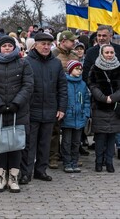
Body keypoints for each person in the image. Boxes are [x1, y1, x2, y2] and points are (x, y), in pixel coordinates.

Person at [0, 36, 33, 193]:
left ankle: (13, 177)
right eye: (4, 46)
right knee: (0, 145)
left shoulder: (23, 63)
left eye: (9, 46)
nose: (7, 48)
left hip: (17, 111)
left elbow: (28, 85)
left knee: (16, 145)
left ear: (14, 47)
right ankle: (0, 177)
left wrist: (16, 103)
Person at [20, 33, 67, 184]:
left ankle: (41, 170)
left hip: (50, 109)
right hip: (31, 110)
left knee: (45, 143)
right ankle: (26, 173)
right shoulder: (26, 62)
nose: (46, 47)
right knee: (29, 144)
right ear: (35, 45)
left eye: (49, 44)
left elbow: (62, 87)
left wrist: (61, 107)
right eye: (43, 44)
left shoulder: (56, 63)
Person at [87, 44, 120, 173]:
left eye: (111, 52)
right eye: (107, 52)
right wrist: (103, 98)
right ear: (102, 53)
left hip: (115, 108)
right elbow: (92, 85)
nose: (109, 55)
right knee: (100, 137)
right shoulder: (95, 67)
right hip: (99, 107)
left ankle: (109, 162)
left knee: (112, 137)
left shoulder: (119, 67)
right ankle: (98, 162)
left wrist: (112, 98)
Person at [49, 30, 78, 169]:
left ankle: (71, 156)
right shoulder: (53, 54)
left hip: (73, 95)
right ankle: (53, 156)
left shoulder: (74, 55)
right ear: (63, 41)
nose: (74, 43)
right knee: (55, 128)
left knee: (70, 126)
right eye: (71, 41)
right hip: (56, 94)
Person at [61, 60, 90, 173]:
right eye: (77, 68)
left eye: (80, 69)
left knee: (76, 142)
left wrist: (86, 113)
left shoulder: (82, 84)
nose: (79, 71)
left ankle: (74, 161)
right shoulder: (65, 83)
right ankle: (67, 162)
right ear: (70, 69)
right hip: (68, 117)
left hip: (80, 117)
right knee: (66, 142)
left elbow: (86, 100)